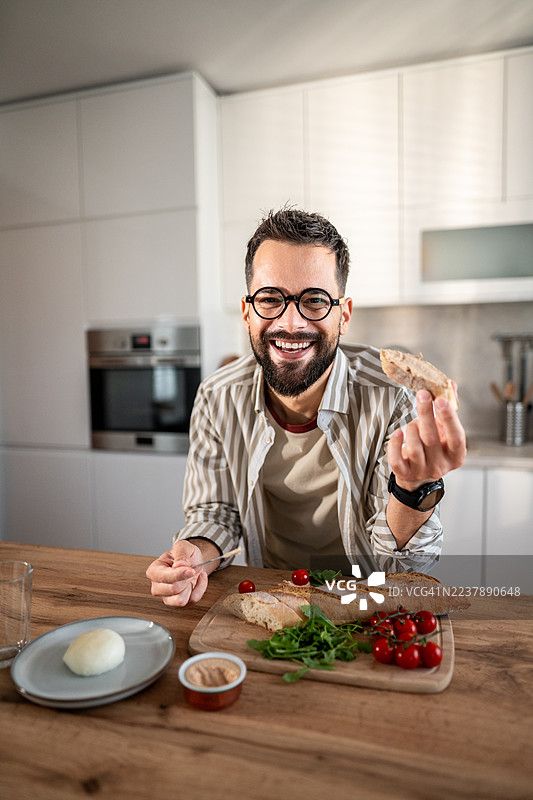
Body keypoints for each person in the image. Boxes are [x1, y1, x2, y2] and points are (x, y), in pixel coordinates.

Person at [146, 208, 466, 607]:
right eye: (270, 299)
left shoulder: (393, 397)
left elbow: (405, 567)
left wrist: (413, 489)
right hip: (275, 596)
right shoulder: (217, 396)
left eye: (314, 300)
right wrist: (195, 554)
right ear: (247, 313)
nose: (292, 323)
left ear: (343, 315)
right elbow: (216, 513)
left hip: (365, 606)